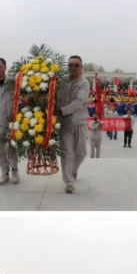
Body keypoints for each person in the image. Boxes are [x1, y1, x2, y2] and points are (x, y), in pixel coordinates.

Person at [57, 56, 90, 194]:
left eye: (76, 65)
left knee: (80, 153)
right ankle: (69, 182)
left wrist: (62, 110)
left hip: (79, 122)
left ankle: (73, 171)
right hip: (64, 124)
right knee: (67, 154)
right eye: (70, 65)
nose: (73, 67)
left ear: (81, 67)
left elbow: (79, 101)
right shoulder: (59, 82)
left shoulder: (84, 83)